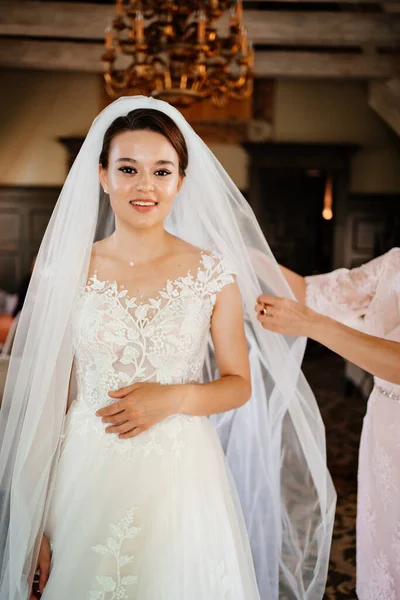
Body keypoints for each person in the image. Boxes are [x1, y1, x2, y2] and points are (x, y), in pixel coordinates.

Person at [0, 97, 335, 600]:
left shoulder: (213, 273)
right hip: (84, 469)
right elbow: (47, 400)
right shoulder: (63, 270)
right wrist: (33, 521)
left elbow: (238, 384)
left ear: (180, 180)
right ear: (102, 175)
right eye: (128, 169)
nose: (144, 185)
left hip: (181, 472)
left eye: (162, 171)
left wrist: (175, 398)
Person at [256, 249, 400, 599]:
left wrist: (313, 325)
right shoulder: (395, 262)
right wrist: (233, 241)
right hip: (384, 428)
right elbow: (309, 293)